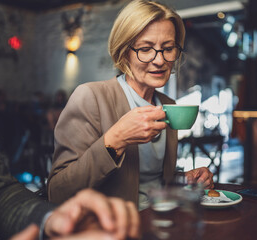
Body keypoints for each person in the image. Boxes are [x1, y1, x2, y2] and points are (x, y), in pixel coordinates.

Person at [47, 0, 214, 210]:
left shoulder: (168, 104)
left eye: (168, 48)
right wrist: (115, 140)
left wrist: (184, 179)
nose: (160, 60)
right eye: (146, 49)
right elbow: (57, 192)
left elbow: (148, 181)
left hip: (161, 221)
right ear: (124, 51)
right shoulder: (90, 96)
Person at [0, 121, 140, 240]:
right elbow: (60, 186)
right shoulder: (88, 95)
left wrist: (51, 219)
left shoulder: (163, 101)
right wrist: (113, 142)